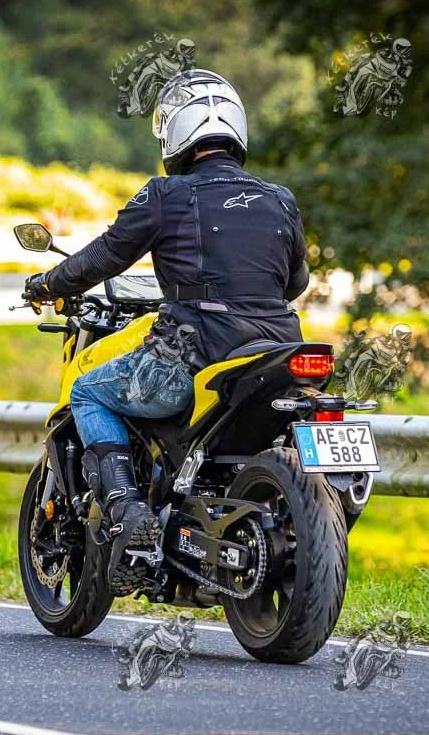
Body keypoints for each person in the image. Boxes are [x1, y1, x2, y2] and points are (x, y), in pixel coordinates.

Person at [22, 70, 311, 596]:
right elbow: (295, 283)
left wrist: (46, 283)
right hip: (278, 352)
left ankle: (129, 512)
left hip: (193, 354)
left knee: (88, 392)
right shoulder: (281, 199)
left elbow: (102, 257)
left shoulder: (166, 195)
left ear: (176, 133)